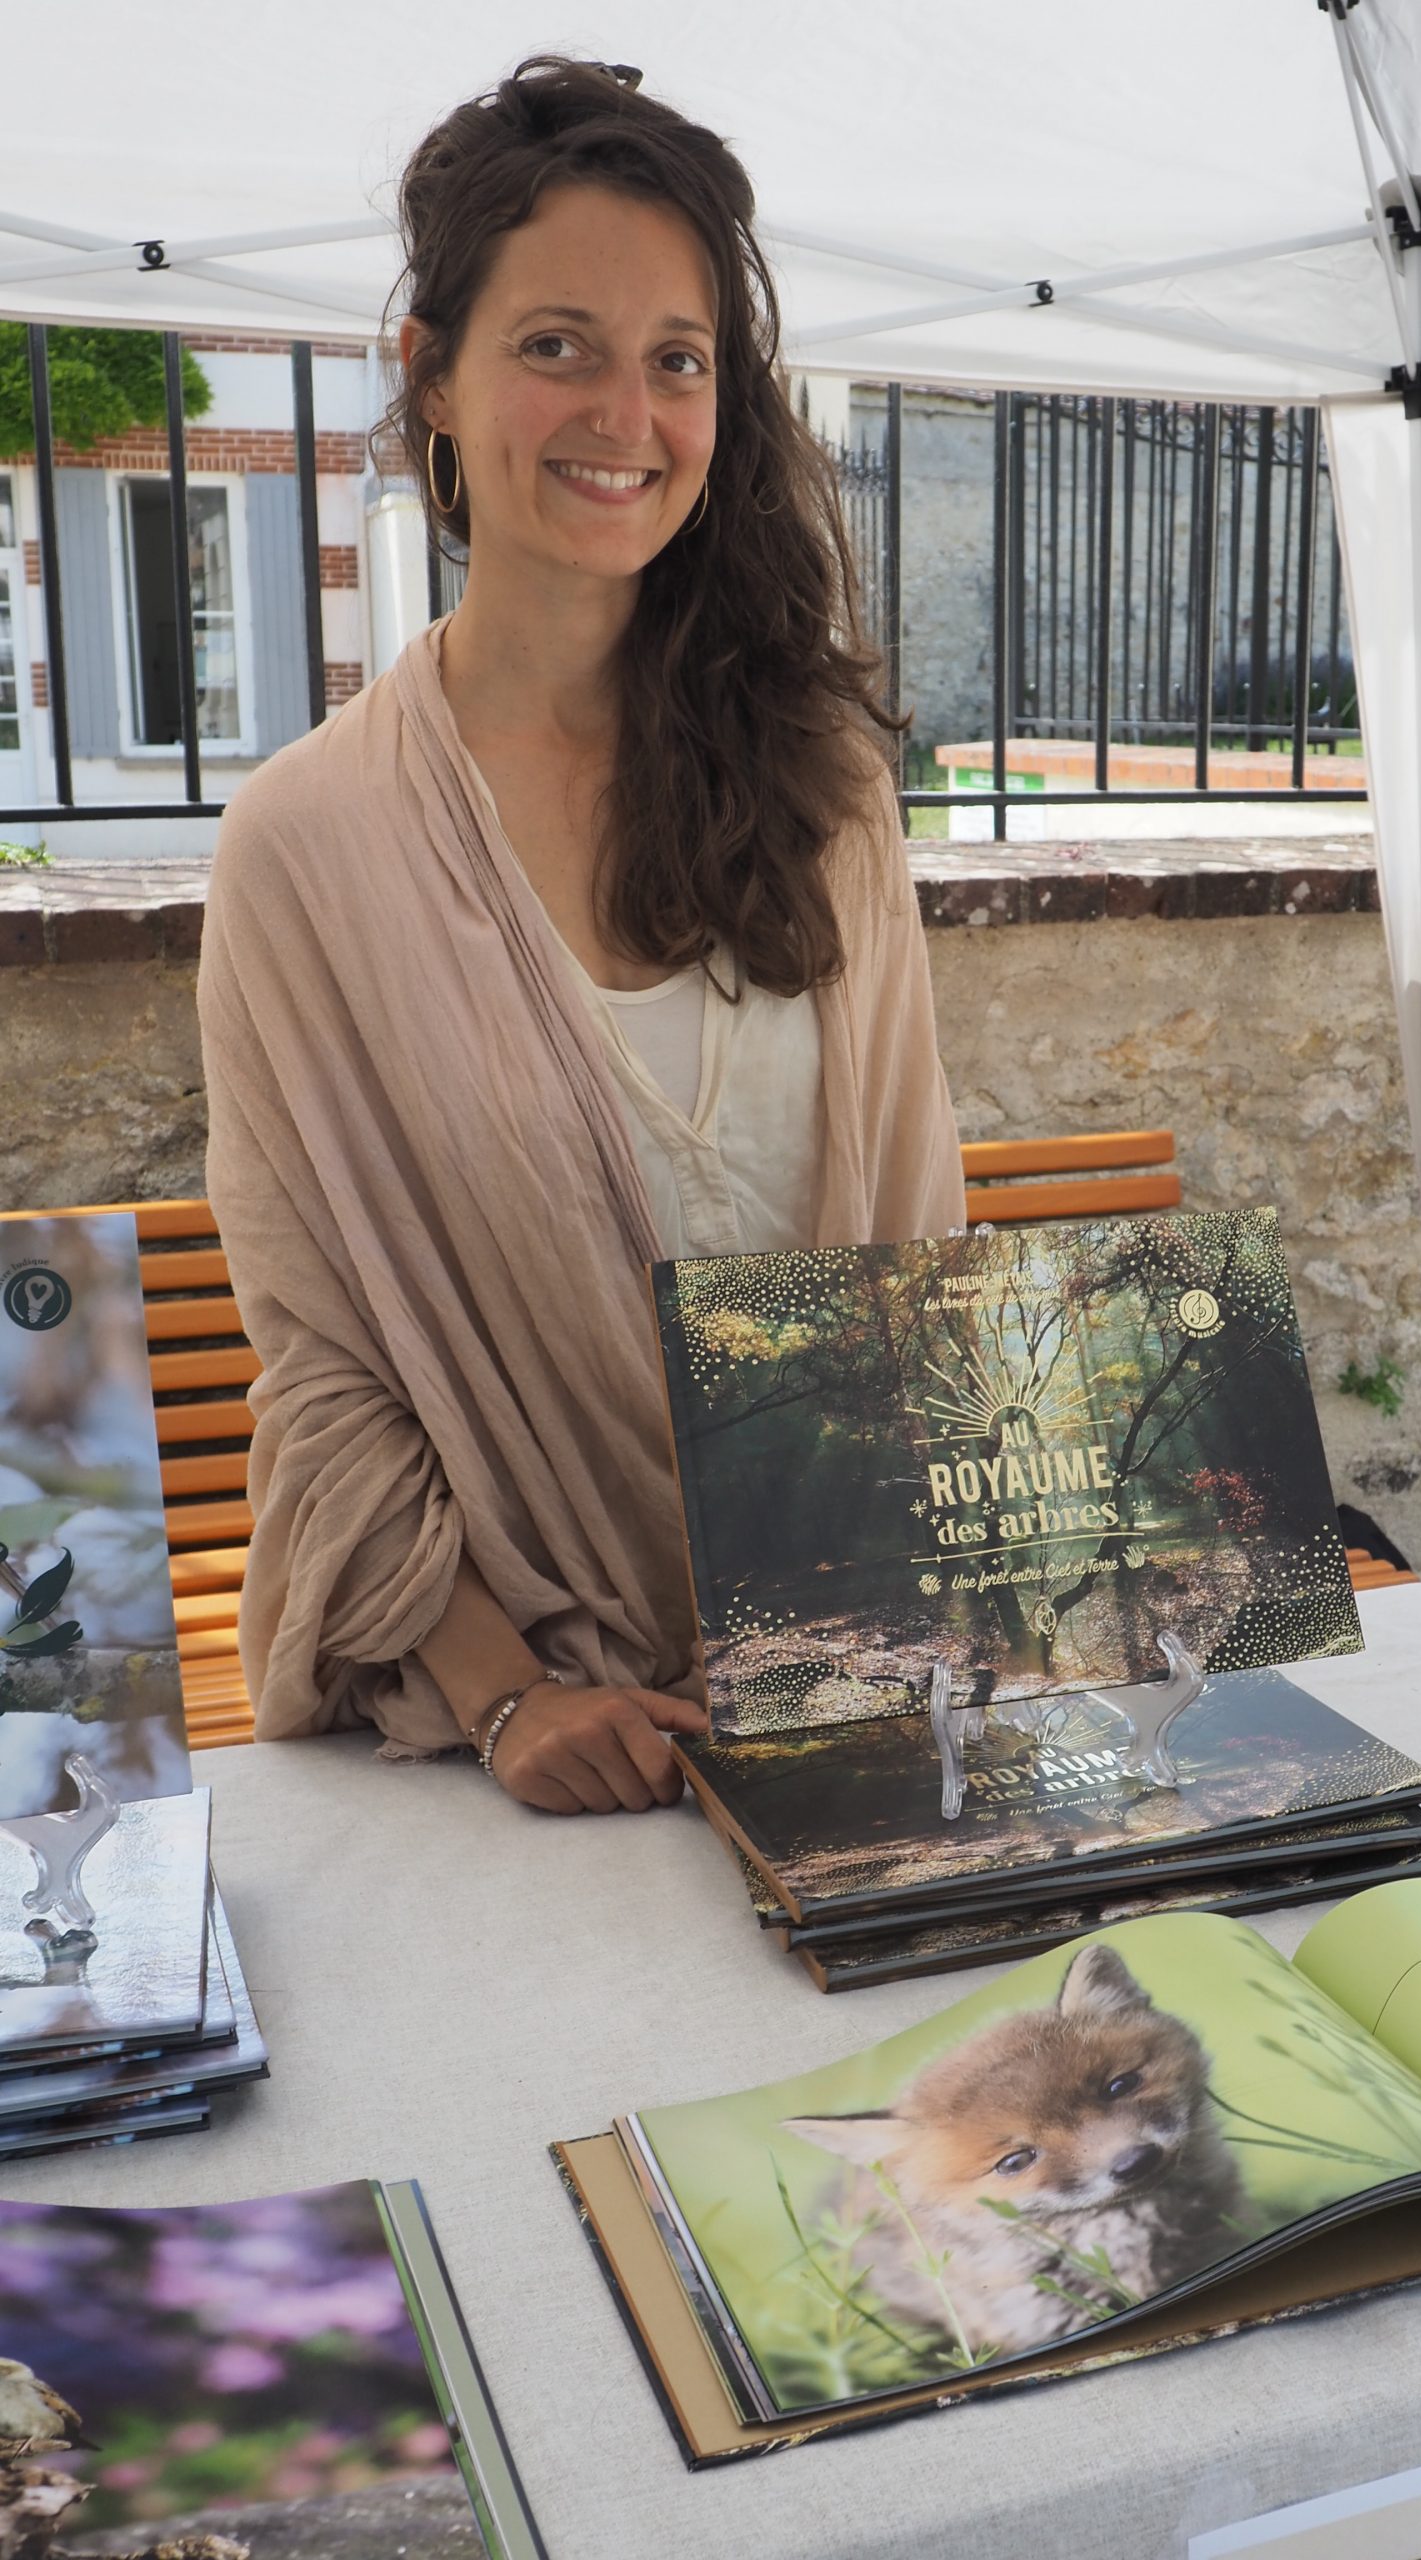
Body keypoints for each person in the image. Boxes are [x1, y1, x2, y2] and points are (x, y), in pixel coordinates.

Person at [197, 58, 965, 1814]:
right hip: (522, 1757)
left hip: (844, 1703)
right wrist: (504, 1697)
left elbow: (920, 1250)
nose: (626, 410)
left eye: (676, 359)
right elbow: (323, 1359)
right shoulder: (306, 849)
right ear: (437, 378)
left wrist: (868, 1626)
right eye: (557, 344)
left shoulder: (826, 784)